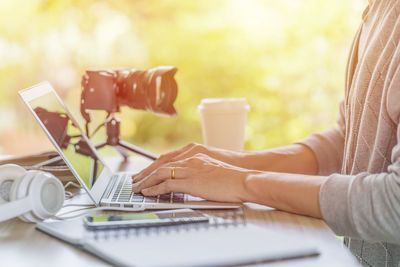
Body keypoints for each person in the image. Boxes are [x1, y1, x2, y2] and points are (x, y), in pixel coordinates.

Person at [132, 0, 400, 266]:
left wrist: (243, 182)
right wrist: (229, 163)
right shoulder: (378, 8)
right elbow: (349, 138)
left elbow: (394, 205)